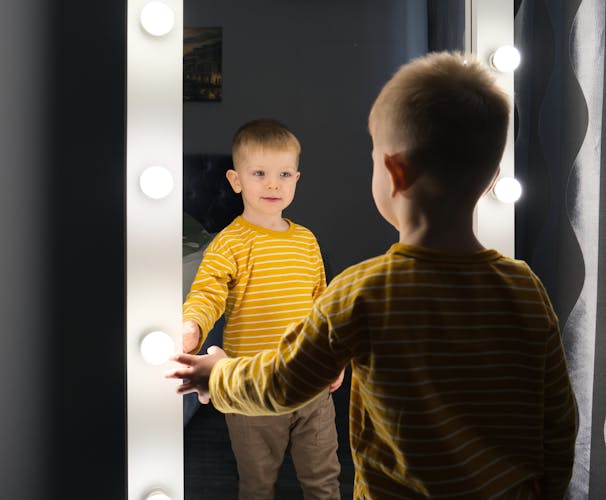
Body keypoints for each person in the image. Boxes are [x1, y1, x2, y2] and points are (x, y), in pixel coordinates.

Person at [168, 52, 578, 499]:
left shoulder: (364, 291)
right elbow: (557, 417)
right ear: (493, 176)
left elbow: (283, 381)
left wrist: (217, 375)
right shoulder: (525, 288)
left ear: (394, 172)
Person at [181, 118, 343, 500]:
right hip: (250, 384)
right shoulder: (229, 242)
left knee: (324, 479)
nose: (273, 184)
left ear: (297, 179)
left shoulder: (306, 240)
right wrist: (194, 324)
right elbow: (208, 292)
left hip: (309, 380)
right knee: (257, 483)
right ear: (236, 181)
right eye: (259, 173)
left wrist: (334, 356)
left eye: (284, 173)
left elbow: (324, 306)